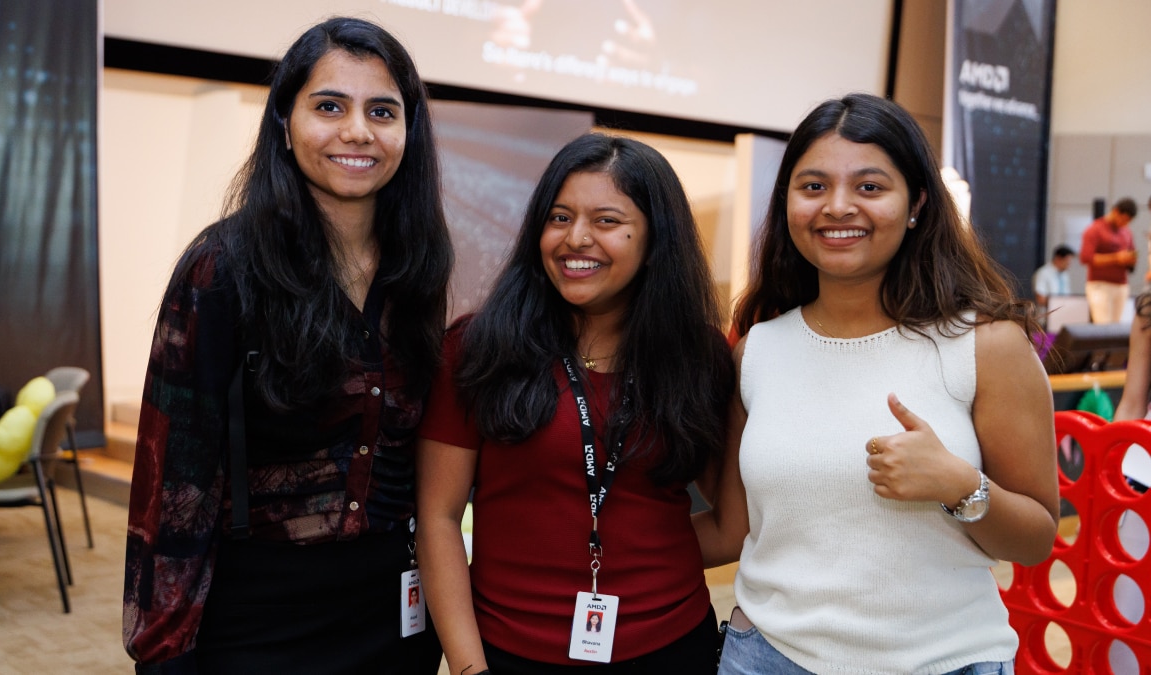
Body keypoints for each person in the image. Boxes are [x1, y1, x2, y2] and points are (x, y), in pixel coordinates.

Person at [122, 17, 452, 674]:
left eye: (382, 111)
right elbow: (174, 480)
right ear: (284, 120)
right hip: (258, 618)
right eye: (329, 105)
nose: (358, 131)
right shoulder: (222, 267)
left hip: (391, 617)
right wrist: (163, 649)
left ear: (407, 132)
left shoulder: (418, 269)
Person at [713, 93, 1059, 674]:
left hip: (945, 662)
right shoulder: (758, 351)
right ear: (788, 202)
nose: (839, 207)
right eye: (814, 186)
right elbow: (733, 528)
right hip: (766, 658)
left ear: (917, 203)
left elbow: (1035, 540)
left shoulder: (987, 345)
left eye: (870, 187)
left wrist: (959, 485)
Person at [416, 132, 737, 675]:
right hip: (509, 652)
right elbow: (438, 519)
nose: (575, 239)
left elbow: (731, 526)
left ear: (655, 239)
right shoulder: (477, 348)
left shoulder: (696, 356)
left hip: (672, 647)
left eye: (607, 221)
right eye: (559, 218)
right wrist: (469, 668)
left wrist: (639, 569)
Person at [1080, 197, 1138, 323]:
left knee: (1117, 327)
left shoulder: (1127, 232)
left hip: (1121, 285)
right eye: (1124, 219)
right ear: (1116, 211)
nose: (1125, 223)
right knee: (1103, 326)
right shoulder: (1095, 229)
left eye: (1128, 221)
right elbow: (1086, 257)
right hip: (1099, 285)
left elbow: (1131, 253)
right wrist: (1116, 258)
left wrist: (1130, 259)